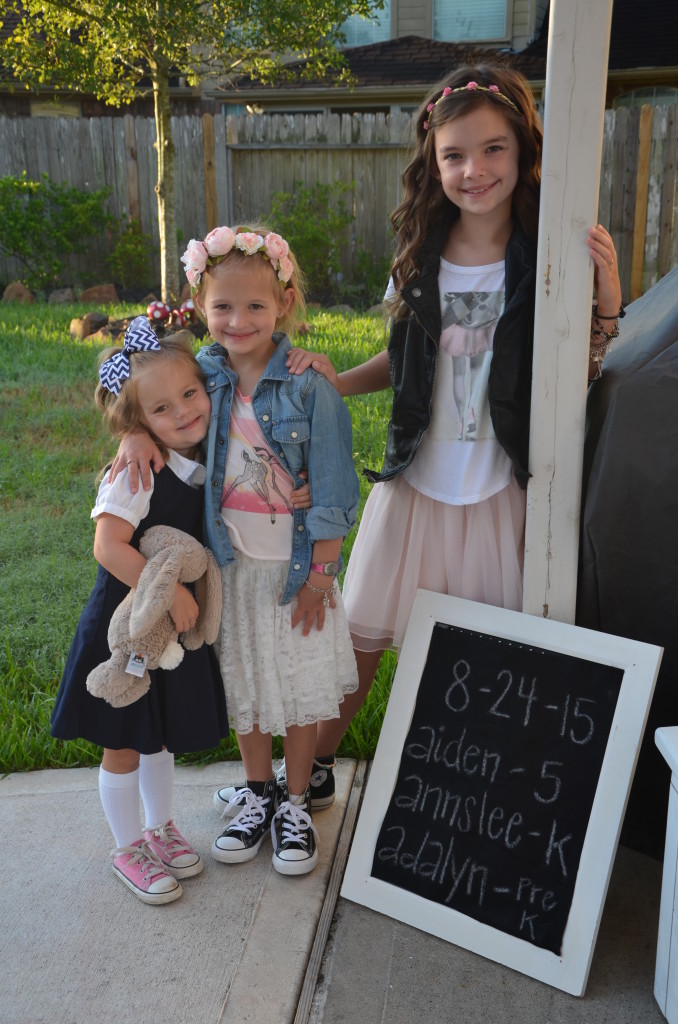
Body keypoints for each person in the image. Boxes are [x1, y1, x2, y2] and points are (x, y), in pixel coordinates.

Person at [280, 63, 624, 801]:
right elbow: (401, 356)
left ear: (525, 151)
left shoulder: (547, 259)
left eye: (494, 149)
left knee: (491, 658)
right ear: (432, 166)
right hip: (417, 482)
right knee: (361, 638)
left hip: (502, 490)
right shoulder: (421, 257)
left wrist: (607, 302)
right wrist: (333, 385)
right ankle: (307, 770)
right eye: (455, 154)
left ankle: (479, 792)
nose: (475, 170)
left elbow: (582, 374)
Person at [115, 225, 360, 876]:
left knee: (300, 689)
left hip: (297, 570)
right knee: (249, 683)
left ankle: (296, 800)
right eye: (223, 307)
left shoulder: (310, 387)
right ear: (201, 308)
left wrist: (322, 575)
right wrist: (136, 434)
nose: (239, 319)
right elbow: (155, 396)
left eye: (256, 305)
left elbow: (334, 489)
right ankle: (258, 794)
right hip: (232, 566)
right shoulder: (206, 375)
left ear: (284, 302)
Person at [51, 319, 230, 905]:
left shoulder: (196, 456)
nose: (182, 411)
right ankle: (127, 845)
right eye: (160, 409)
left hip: (167, 633)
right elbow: (107, 546)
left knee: (162, 735)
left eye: (190, 393)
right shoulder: (133, 472)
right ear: (137, 424)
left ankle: (160, 827)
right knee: (125, 737)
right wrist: (173, 593)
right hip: (127, 628)